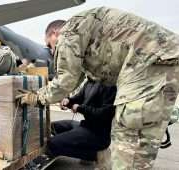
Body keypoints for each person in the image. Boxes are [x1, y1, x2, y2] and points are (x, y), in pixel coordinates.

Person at [17, 7, 179, 169]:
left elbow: (65, 80)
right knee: (141, 142)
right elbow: (73, 80)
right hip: (163, 59)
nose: (52, 51)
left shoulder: (68, 33)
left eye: (50, 45)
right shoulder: (91, 42)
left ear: (54, 34)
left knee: (129, 142)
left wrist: (35, 97)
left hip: (149, 61)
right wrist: (69, 99)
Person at [47, 78, 116, 168]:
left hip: (98, 133)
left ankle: (96, 154)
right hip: (85, 125)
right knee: (52, 127)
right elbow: (79, 98)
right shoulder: (90, 82)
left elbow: (104, 114)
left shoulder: (110, 85)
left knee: (53, 144)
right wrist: (68, 101)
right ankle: (84, 147)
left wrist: (80, 108)